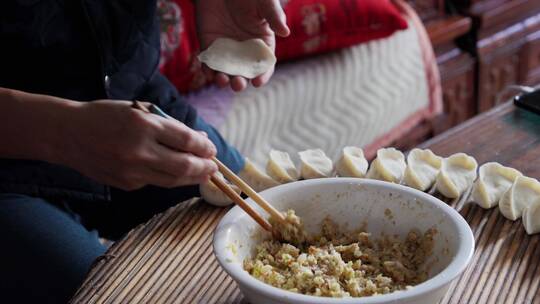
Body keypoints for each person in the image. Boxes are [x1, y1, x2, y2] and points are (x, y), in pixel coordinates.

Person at [0, 0, 290, 302]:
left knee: (259, 221)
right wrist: (63, 132)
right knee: (112, 294)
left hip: (134, 93)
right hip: (11, 154)